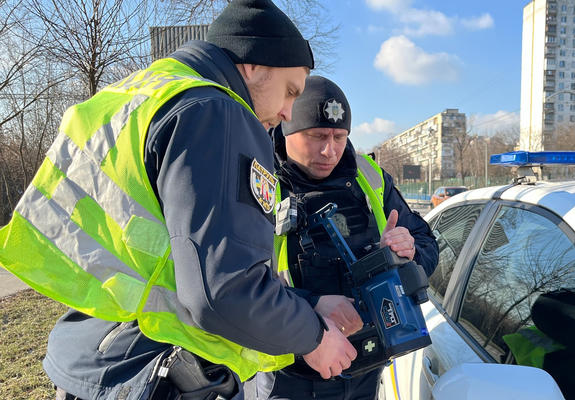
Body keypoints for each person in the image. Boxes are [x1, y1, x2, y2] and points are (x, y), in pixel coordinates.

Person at [0, 1, 357, 399]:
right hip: (156, 373)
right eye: (290, 91)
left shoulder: (142, 93)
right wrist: (313, 337)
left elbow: (171, 265)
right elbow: (224, 292)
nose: (288, 111)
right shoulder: (218, 111)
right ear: (254, 64)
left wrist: (307, 304)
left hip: (95, 353)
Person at [252, 75, 439, 400]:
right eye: (317, 136)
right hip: (291, 375)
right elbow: (235, 281)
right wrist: (312, 306)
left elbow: (427, 245)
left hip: (367, 365)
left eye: (340, 137)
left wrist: (407, 252)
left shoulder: (371, 176)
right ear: (287, 129)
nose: (330, 150)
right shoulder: (260, 182)